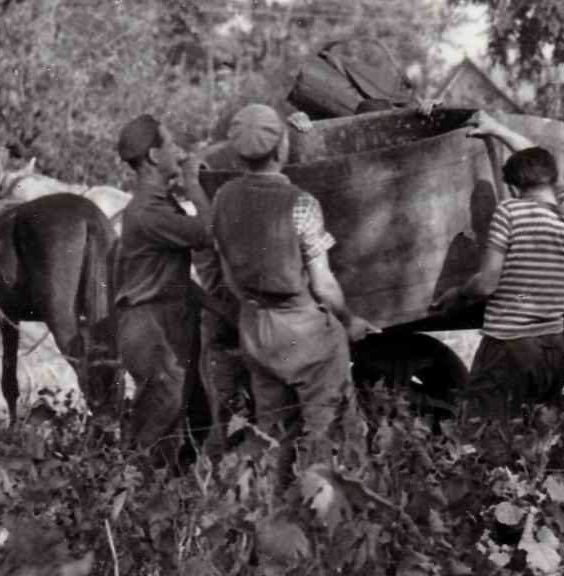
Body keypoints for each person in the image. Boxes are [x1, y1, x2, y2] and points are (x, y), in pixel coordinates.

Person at [210, 103, 379, 435]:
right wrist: (349, 321)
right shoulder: (300, 203)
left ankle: (271, 486)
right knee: (329, 431)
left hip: (256, 331)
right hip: (303, 334)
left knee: (274, 432)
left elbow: (229, 276)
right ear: (281, 148)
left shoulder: (222, 199)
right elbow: (324, 285)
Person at [434, 111, 564, 421]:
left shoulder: (511, 212)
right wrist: (498, 129)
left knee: (483, 435)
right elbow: (540, 161)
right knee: (532, 438)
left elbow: (487, 282)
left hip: (510, 346)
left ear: (515, 188)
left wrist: (458, 293)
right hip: (552, 347)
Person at [114, 114, 212, 456]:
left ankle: (171, 497)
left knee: (197, 415)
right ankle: (132, 490)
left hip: (169, 319)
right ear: (155, 157)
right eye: (171, 145)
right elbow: (208, 234)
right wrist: (195, 186)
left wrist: (222, 309)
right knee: (159, 420)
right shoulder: (145, 213)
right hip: (150, 326)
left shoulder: (160, 204)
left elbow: (177, 279)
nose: (179, 152)